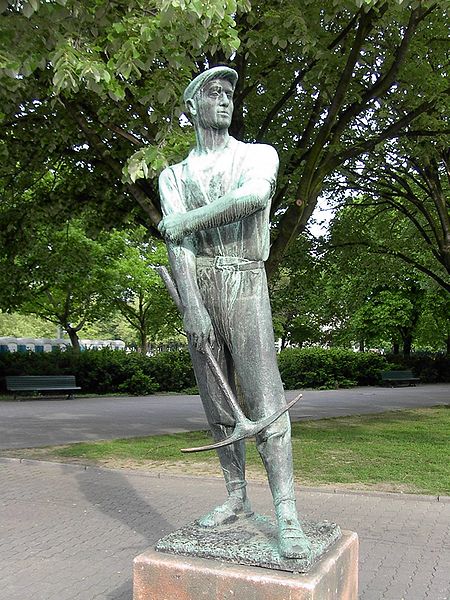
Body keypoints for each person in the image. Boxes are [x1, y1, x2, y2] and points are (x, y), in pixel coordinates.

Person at [158, 66, 311, 560]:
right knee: (216, 401)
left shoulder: (256, 154)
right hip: (200, 283)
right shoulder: (173, 175)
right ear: (192, 107)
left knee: (266, 396)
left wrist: (185, 220)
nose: (224, 100)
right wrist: (193, 308)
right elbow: (177, 248)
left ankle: (285, 510)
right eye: (213, 93)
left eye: (229, 93)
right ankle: (236, 496)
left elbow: (253, 197)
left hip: (244, 277)